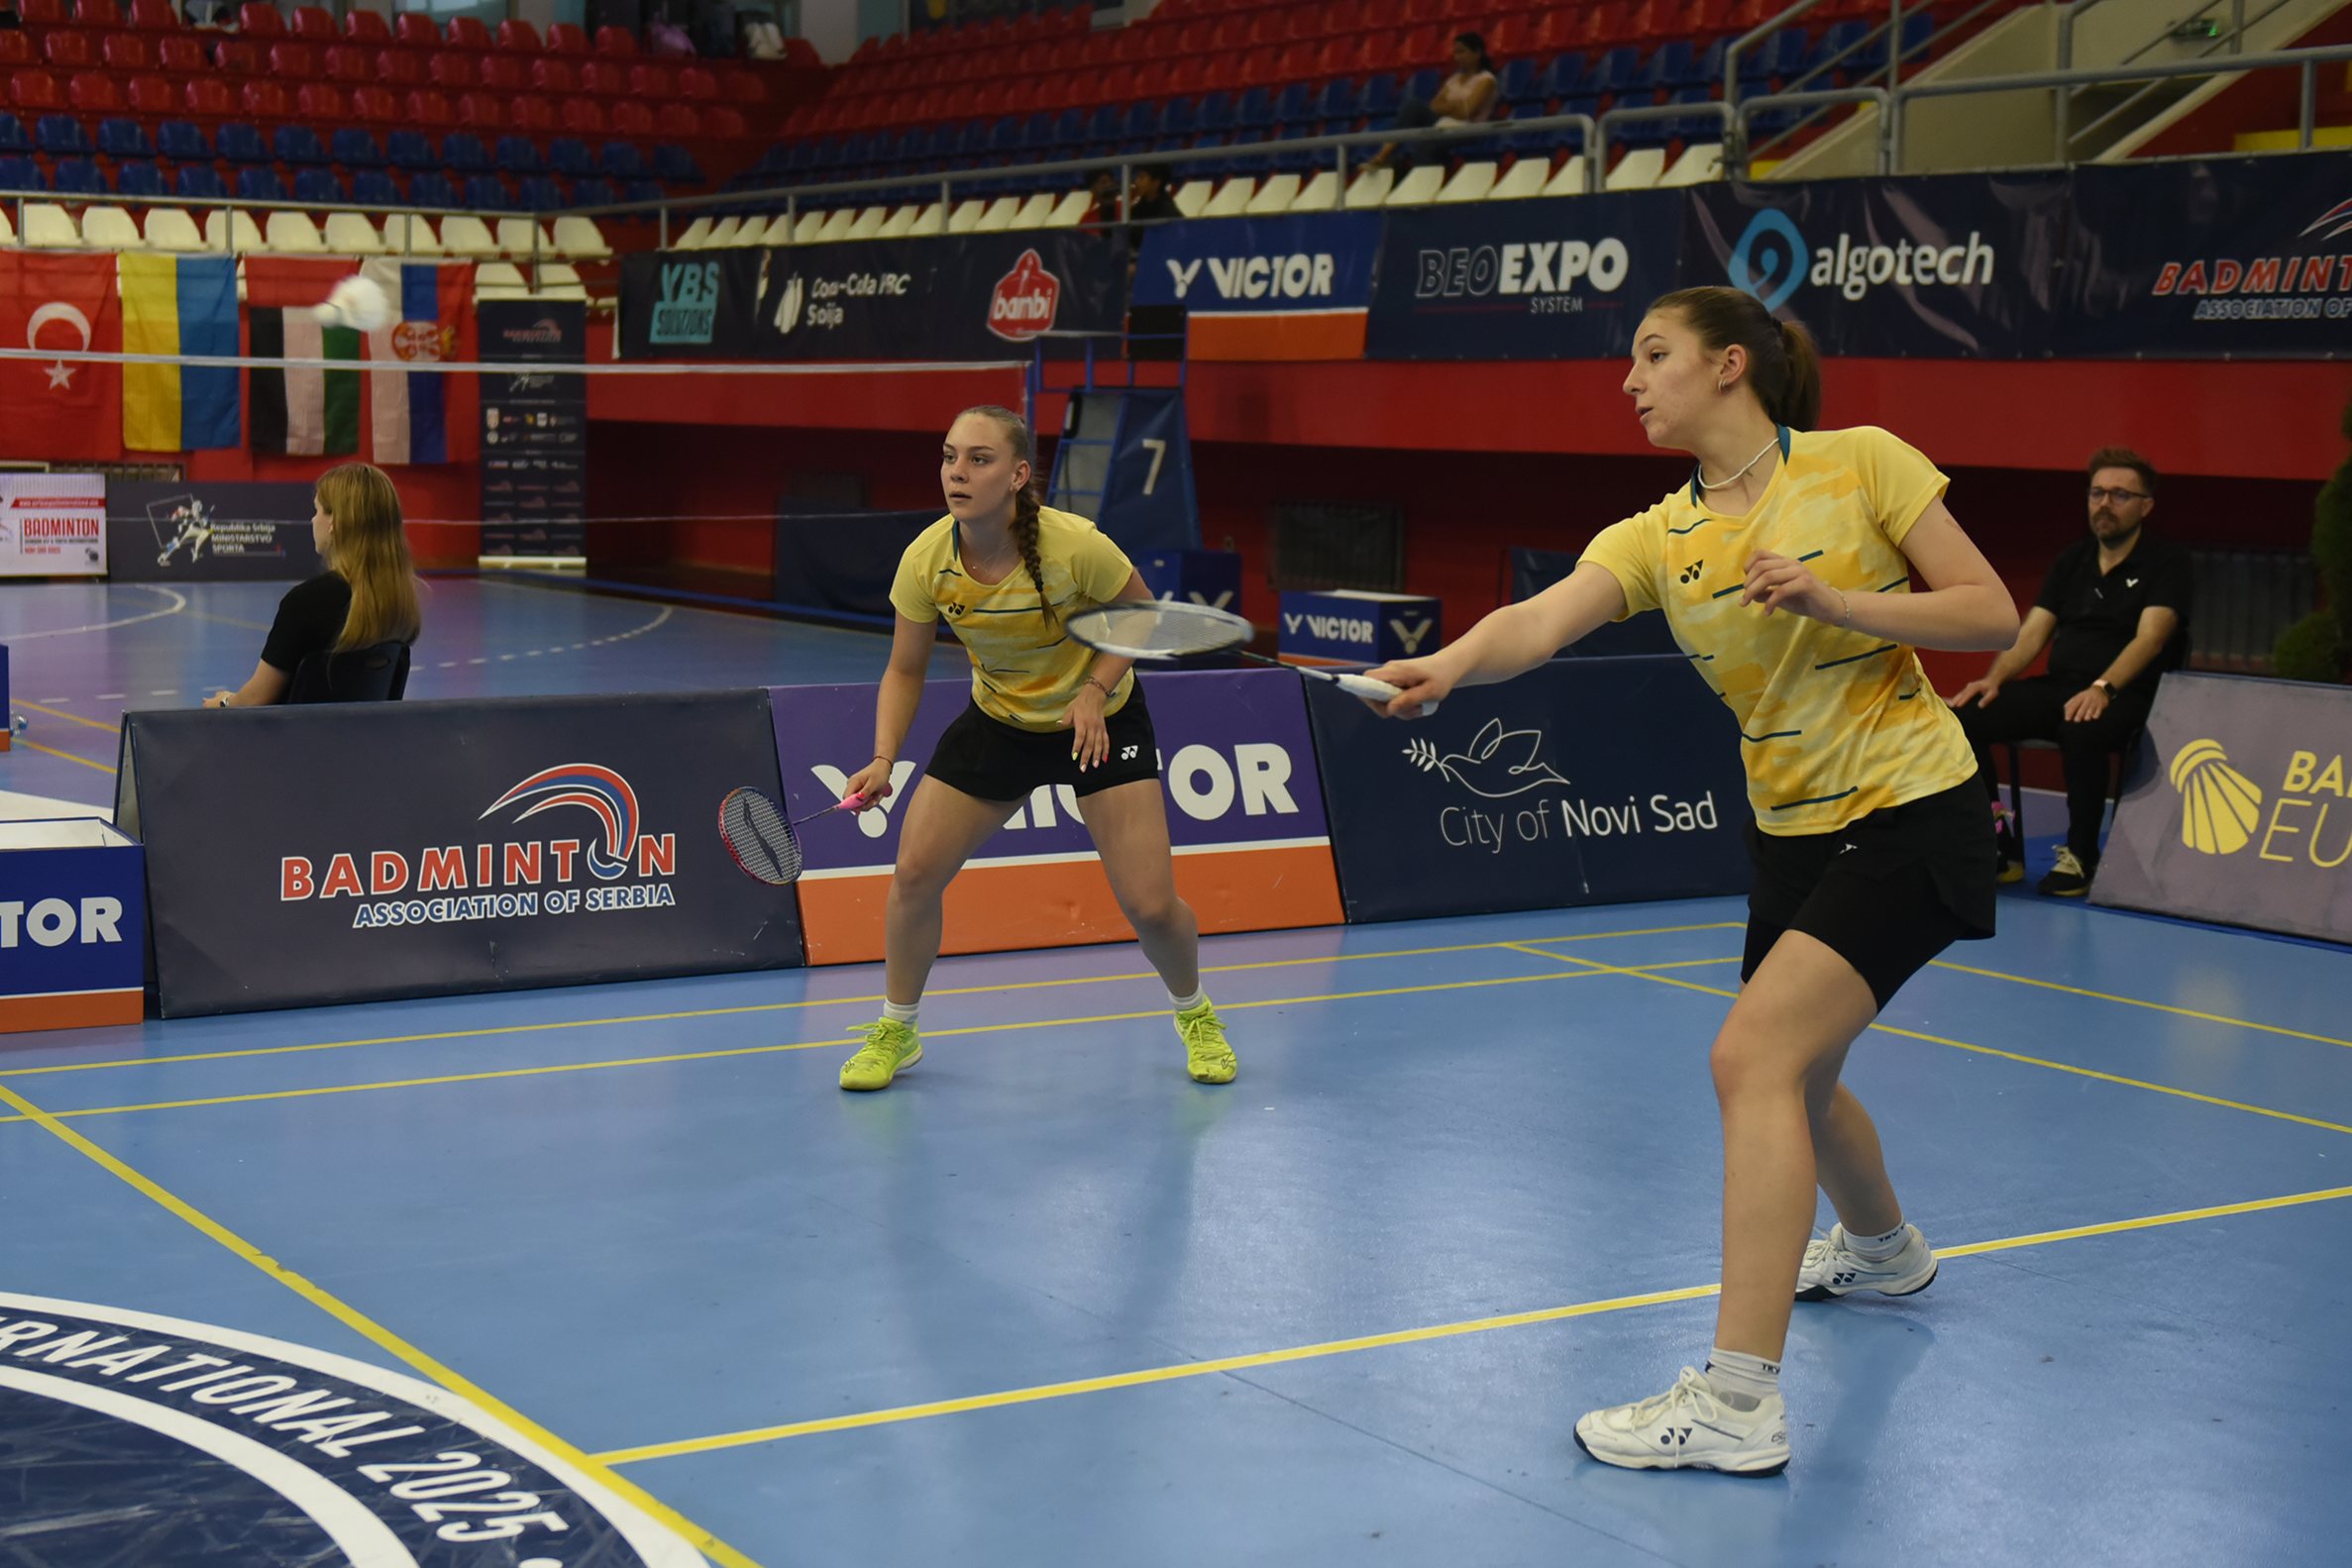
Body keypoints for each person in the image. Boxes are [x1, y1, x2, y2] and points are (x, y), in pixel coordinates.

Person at [1363, 286, 2020, 1476]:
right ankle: (1882, 1249)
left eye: (1652, 354)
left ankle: (1735, 1401)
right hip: (1791, 832)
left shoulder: (1861, 463)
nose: (1630, 380)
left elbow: (1990, 614)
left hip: (1909, 809)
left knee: (1750, 1059)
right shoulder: (1656, 535)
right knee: (1803, 1077)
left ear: (1728, 365)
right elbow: (1537, 622)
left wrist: (1834, 598)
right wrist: (1449, 665)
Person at [831, 405, 1239, 1094]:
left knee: (1150, 905)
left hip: (1099, 724)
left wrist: (1095, 689)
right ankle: (898, 1028)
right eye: (949, 456)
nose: (958, 473)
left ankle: (1195, 1012)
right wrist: (882, 756)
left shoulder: (1073, 544)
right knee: (915, 872)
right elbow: (904, 669)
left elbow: (1141, 616)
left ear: (1018, 475)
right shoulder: (927, 560)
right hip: (1002, 721)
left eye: (979, 459)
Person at [1948, 449, 2189, 895]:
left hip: (2128, 695)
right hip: (2061, 687)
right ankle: (1997, 845)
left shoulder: (2167, 563)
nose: (2104, 504)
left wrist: (2103, 688)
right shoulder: (2072, 560)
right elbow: (2033, 631)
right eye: (2097, 493)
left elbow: (2150, 638)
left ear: (2145, 506)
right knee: (1965, 718)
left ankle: (2081, 857)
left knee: (2083, 728)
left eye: (2119, 495)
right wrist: (1994, 679)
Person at [206, 464, 420, 708]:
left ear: (334, 522)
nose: (312, 519)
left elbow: (256, 700)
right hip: (361, 733)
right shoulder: (398, 603)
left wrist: (224, 702)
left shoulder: (306, 603)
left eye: (317, 510)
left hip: (300, 733)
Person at [1369, 32, 1501, 170]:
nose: (1457, 57)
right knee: (1413, 107)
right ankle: (1382, 156)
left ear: (1477, 53)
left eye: (1462, 52)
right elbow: (1434, 106)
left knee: (1427, 142)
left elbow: (1467, 112)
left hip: (1469, 130)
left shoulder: (1486, 80)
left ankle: (1425, 179)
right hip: (1444, 124)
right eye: (1455, 53)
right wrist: (1455, 106)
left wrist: (1448, 107)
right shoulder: (1454, 79)